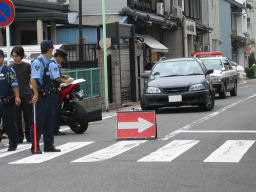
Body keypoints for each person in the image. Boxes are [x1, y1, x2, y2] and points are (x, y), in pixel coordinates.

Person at [30, 40, 60, 154]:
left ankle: (49, 145)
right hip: (41, 97)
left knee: (49, 121)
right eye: (52, 48)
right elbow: (33, 79)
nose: (52, 50)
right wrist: (36, 94)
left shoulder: (49, 61)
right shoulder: (38, 62)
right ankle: (35, 147)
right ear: (49, 49)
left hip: (49, 95)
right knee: (38, 122)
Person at [10, 46, 33, 143]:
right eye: (13, 56)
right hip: (15, 96)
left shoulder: (27, 66)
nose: (14, 58)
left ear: (21, 56)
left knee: (28, 118)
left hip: (27, 94)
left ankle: (29, 136)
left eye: (16, 56)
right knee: (16, 118)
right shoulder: (11, 67)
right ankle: (19, 137)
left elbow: (32, 80)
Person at [0, 49, 21, 151]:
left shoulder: (8, 70)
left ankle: (13, 142)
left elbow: (15, 84)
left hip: (6, 101)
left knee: (9, 123)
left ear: (2, 58)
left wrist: (17, 96)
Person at [49, 49, 73, 136]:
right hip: (53, 90)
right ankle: (54, 130)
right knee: (55, 110)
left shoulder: (52, 62)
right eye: (62, 59)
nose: (62, 61)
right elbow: (56, 78)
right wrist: (66, 81)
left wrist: (63, 75)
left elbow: (55, 74)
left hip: (52, 90)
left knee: (54, 109)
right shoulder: (53, 64)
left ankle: (54, 129)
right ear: (58, 56)